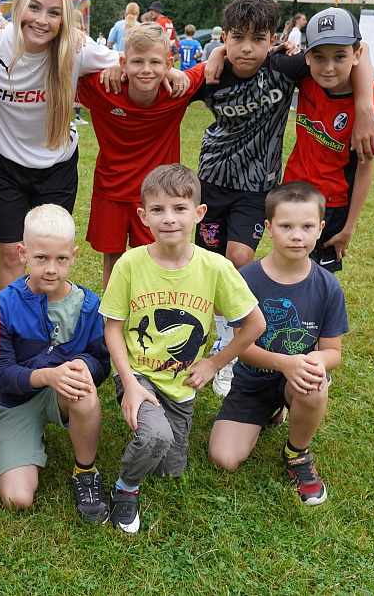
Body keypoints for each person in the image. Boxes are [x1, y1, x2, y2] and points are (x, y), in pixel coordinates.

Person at [194, 0, 374, 397]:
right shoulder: (233, 72)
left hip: (279, 192)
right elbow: (178, 81)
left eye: (258, 38)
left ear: (274, 38)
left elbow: (359, 53)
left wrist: (365, 106)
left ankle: (290, 356)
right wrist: (214, 55)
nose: (247, 48)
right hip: (240, 186)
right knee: (218, 266)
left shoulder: (287, 68)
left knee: (258, 265)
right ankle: (226, 341)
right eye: (237, 38)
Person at [100, 164, 266, 533]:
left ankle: (152, 427)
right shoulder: (130, 264)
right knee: (155, 437)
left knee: (170, 470)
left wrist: (214, 363)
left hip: (181, 384)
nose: (169, 219)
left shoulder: (216, 267)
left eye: (179, 208)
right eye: (157, 210)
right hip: (139, 374)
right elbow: (112, 328)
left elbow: (255, 324)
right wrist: (129, 384)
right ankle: (125, 488)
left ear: (199, 213)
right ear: (143, 216)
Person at [0, 0, 121, 290]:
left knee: (49, 258)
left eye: (54, 13)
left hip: (57, 167)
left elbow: (136, 61)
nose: (42, 20)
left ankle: (48, 320)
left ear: (64, 20)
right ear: (18, 5)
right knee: (11, 256)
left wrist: (198, 65)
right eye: (34, 7)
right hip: (3, 165)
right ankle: (9, 322)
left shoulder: (76, 50)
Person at [208, 181, 348, 507]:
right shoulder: (246, 279)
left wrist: (314, 363)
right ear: (268, 228)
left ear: (320, 229)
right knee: (224, 458)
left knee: (315, 384)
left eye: (307, 227)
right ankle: (267, 412)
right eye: (286, 226)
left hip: (297, 378)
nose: (297, 236)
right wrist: (284, 362)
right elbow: (240, 346)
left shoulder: (328, 286)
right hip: (252, 382)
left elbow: (332, 352)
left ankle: (297, 453)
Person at [0, 204, 111, 521]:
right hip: (17, 402)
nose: (51, 269)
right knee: (17, 498)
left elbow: (101, 362)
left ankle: (85, 471)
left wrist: (84, 366)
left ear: (74, 256)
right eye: (41, 258)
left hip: (64, 395)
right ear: (23, 253)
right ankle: (25, 434)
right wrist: (47, 376)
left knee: (84, 390)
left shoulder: (89, 305)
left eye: (61, 259)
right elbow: (0, 373)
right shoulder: (4, 304)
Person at [75, 22, 207, 288]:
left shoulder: (178, 90)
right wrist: (104, 61)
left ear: (168, 63)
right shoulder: (104, 87)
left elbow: (219, 61)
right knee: (113, 262)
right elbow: (61, 69)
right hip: (111, 190)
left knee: (156, 261)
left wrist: (214, 55)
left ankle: (152, 310)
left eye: (155, 62)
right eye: (137, 62)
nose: (146, 70)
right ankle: (114, 312)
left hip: (158, 196)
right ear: (124, 63)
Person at [282, 7, 374, 274]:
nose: (328, 68)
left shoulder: (370, 106)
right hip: (291, 192)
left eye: (340, 56)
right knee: (288, 268)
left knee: (319, 280)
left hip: (331, 206)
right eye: (319, 57)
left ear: (356, 56)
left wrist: (349, 228)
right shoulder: (307, 78)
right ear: (307, 56)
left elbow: (365, 167)